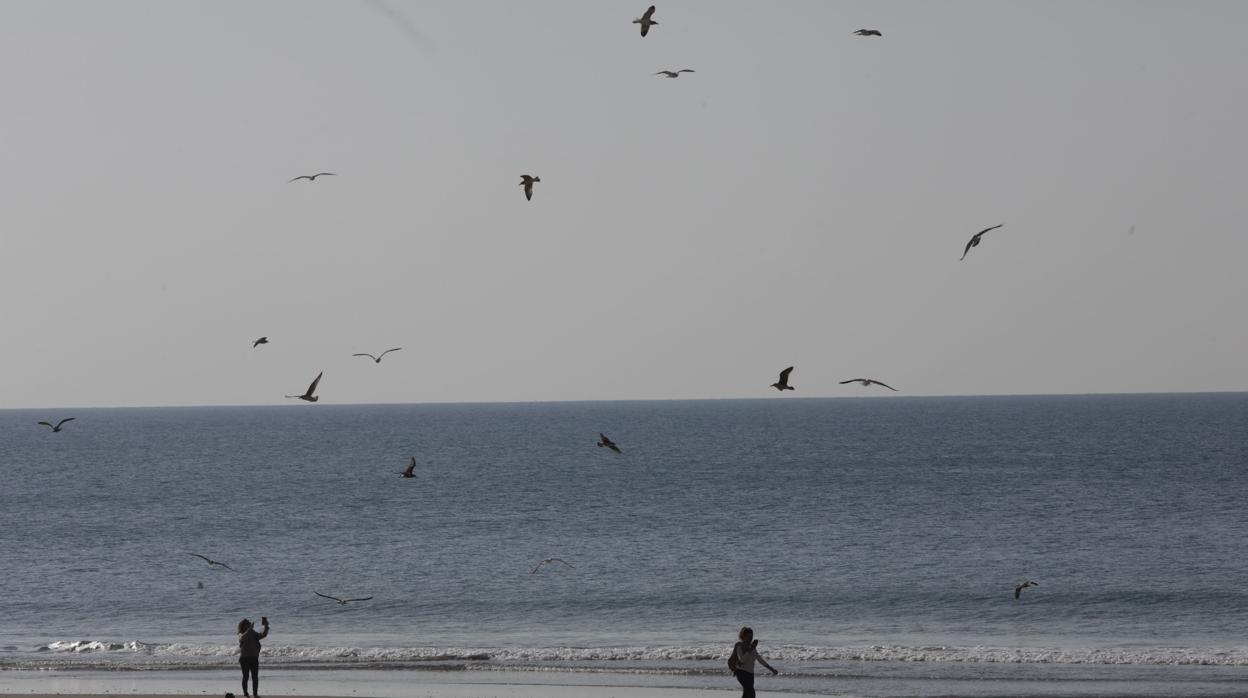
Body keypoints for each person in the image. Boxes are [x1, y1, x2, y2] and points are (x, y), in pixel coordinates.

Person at [730, 626, 777, 698]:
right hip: (741, 672)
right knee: (751, 693)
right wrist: (750, 649)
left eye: (751, 636)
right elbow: (742, 659)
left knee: (746, 694)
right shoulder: (739, 646)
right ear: (743, 636)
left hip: (750, 674)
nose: (751, 638)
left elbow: (760, 660)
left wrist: (771, 669)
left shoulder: (752, 647)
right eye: (749, 636)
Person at [237, 616, 269, 698]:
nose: (248, 626)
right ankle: (245, 693)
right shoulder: (241, 634)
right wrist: (249, 629)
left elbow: (263, 635)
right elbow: (243, 638)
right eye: (246, 625)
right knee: (246, 676)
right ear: (243, 626)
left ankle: (255, 694)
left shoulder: (252, 632)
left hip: (254, 658)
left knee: (255, 677)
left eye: (248, 624)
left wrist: (266, 626)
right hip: (244, 659)